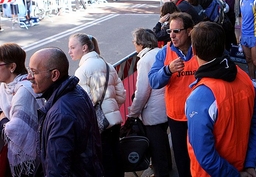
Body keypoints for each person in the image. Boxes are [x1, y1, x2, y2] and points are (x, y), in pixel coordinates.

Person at [186, 21, 256, 176]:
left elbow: (205, 156)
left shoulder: (200, 97)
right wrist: (250, 164)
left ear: (194, 50)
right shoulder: (244, 78)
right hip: (243, 166)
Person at [28, 48, 103, 176]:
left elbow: (57, 169)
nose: (29, 77)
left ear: (54, 75)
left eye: (34, 72)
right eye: (29, 70)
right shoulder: (75, 91)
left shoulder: (61, 114)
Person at [68, 33, 126, 177]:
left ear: (84, 47)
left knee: (105, 163)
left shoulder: (82, 71)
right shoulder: (108, 66)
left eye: (73, 47)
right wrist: (110, 108)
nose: (70, 51)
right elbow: (121, 95)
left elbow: (86, 101)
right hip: (114, 121)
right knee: (116, 158)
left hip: (99, 125)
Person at [148, 12, 198, 177]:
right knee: (182, 160)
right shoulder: (164, 52)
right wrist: (167, 70)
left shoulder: (201, 48)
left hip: (200, 116)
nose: (172, 36)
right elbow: (154, 81)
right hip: (177, 117)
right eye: (170, 31)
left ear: (189, 31)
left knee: (201, 157)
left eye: (177, 31)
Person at [128, 29, 172, 177]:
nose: (134, 45)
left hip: (153, 110)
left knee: (157, 147)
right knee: (163, 141)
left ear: (141, 43)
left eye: (134, 42)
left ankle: (162, 173)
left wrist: (133, 113)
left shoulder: (145, 60)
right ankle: (167, 168)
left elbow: (142, 92)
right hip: (166, 106)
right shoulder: (160, 53)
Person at [0, 43, 44, 176]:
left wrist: (3, 118)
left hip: (30, 154)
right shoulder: (4, 87)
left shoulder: (24, 90)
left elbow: (17, 128)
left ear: (12, 67)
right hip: (11, 149)